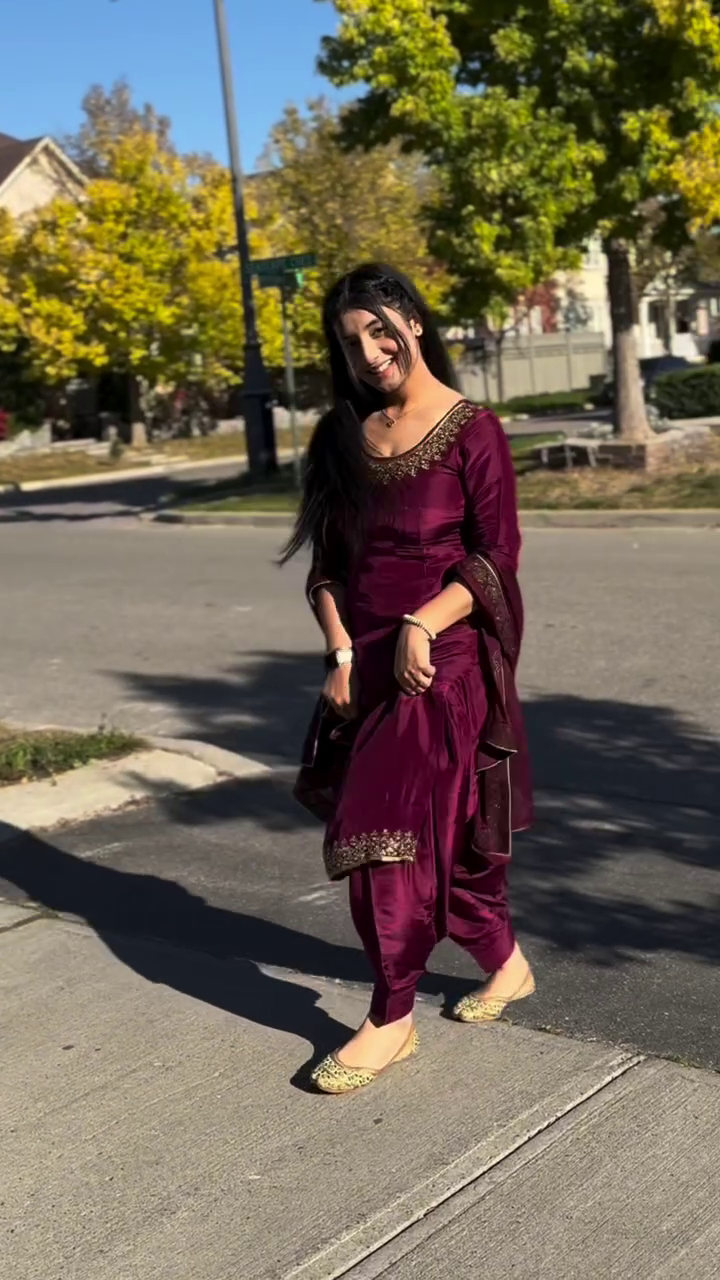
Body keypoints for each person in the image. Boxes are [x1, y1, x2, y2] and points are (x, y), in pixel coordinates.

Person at [284, 264, 534, 1095]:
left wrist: (423, 622)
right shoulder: (342, 436)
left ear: (413, 323)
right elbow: (327, 569)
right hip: (365, 670)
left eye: (379, 330)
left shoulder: (473, 431)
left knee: (380, 830)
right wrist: (342, 653)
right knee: (442, 841)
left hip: (439, 665)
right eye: (350, 342)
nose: (369, 352)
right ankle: (506, 963)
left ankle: (391, 1017)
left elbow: (496, 559)